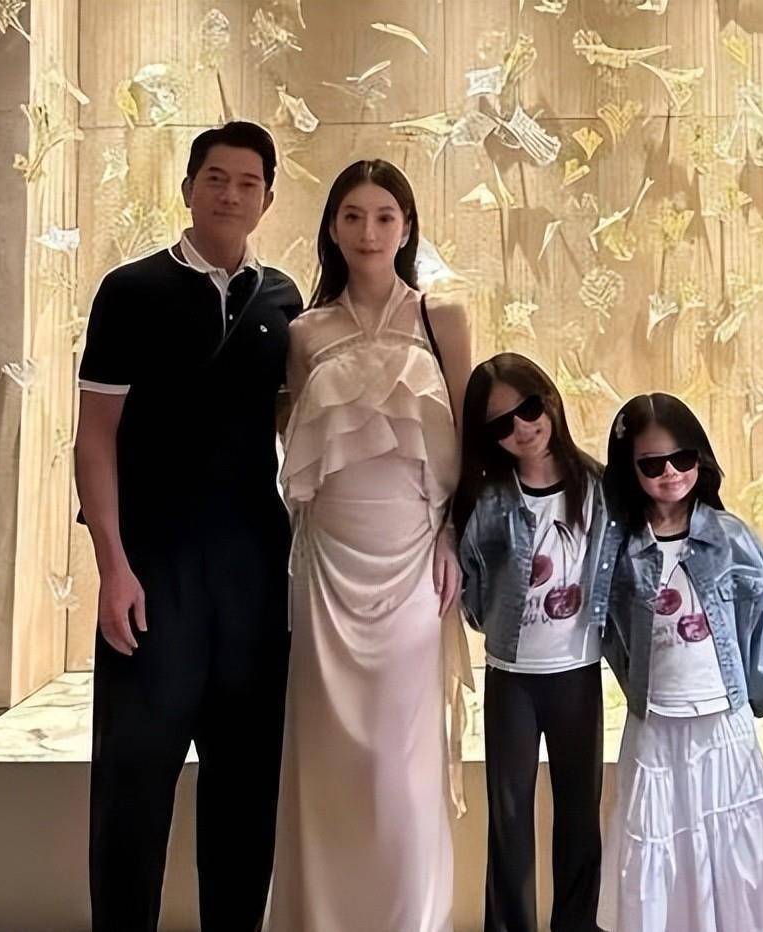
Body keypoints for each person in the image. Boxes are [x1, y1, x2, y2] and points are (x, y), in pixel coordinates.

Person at [74, 121, 301, 931]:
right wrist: (112, 565)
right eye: (216, 178)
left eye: (248, 182)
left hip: (253, 575)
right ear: (188, 188)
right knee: (132, 786)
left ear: (266, 198)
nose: (231, 194)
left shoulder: (284, 302)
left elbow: (301, 431)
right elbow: (94, 439)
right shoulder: (130, 291)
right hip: (153, 573)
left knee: (245, 789)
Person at [268, 159, 471, 932]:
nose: (368, 232)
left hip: (415, 556)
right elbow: (299, 444)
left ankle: (410, 918)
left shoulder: (442, 317)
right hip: (328, 562)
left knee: (400, 763)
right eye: (352, 216)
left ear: (407, 227)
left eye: (385, 216)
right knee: (330, 757)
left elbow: (469, 434)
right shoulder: (304, 331)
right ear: (332, 227)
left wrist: (453, 533)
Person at [598, 393, 763, 932]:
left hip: (723, 720)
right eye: (652, 464)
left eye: (682, 458)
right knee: (655, 839)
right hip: (654, 722)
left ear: (700, 458)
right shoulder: (620, 548)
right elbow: (607, 629)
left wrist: (751, 688)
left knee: (738, 841)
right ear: (630, 469)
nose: (670, 473)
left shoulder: (733, 539)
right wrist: (636, 685)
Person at [455, 353, 619, 932]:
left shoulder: (598, 486)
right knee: (509, 817)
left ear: (548, 399)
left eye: (528, 409)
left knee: (579, 812)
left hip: (577, 671)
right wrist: (495, 621)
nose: (523, 429)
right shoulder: (489, 499)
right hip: (511, 677)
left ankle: (577, 924)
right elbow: (470, 578)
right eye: (502, 424)